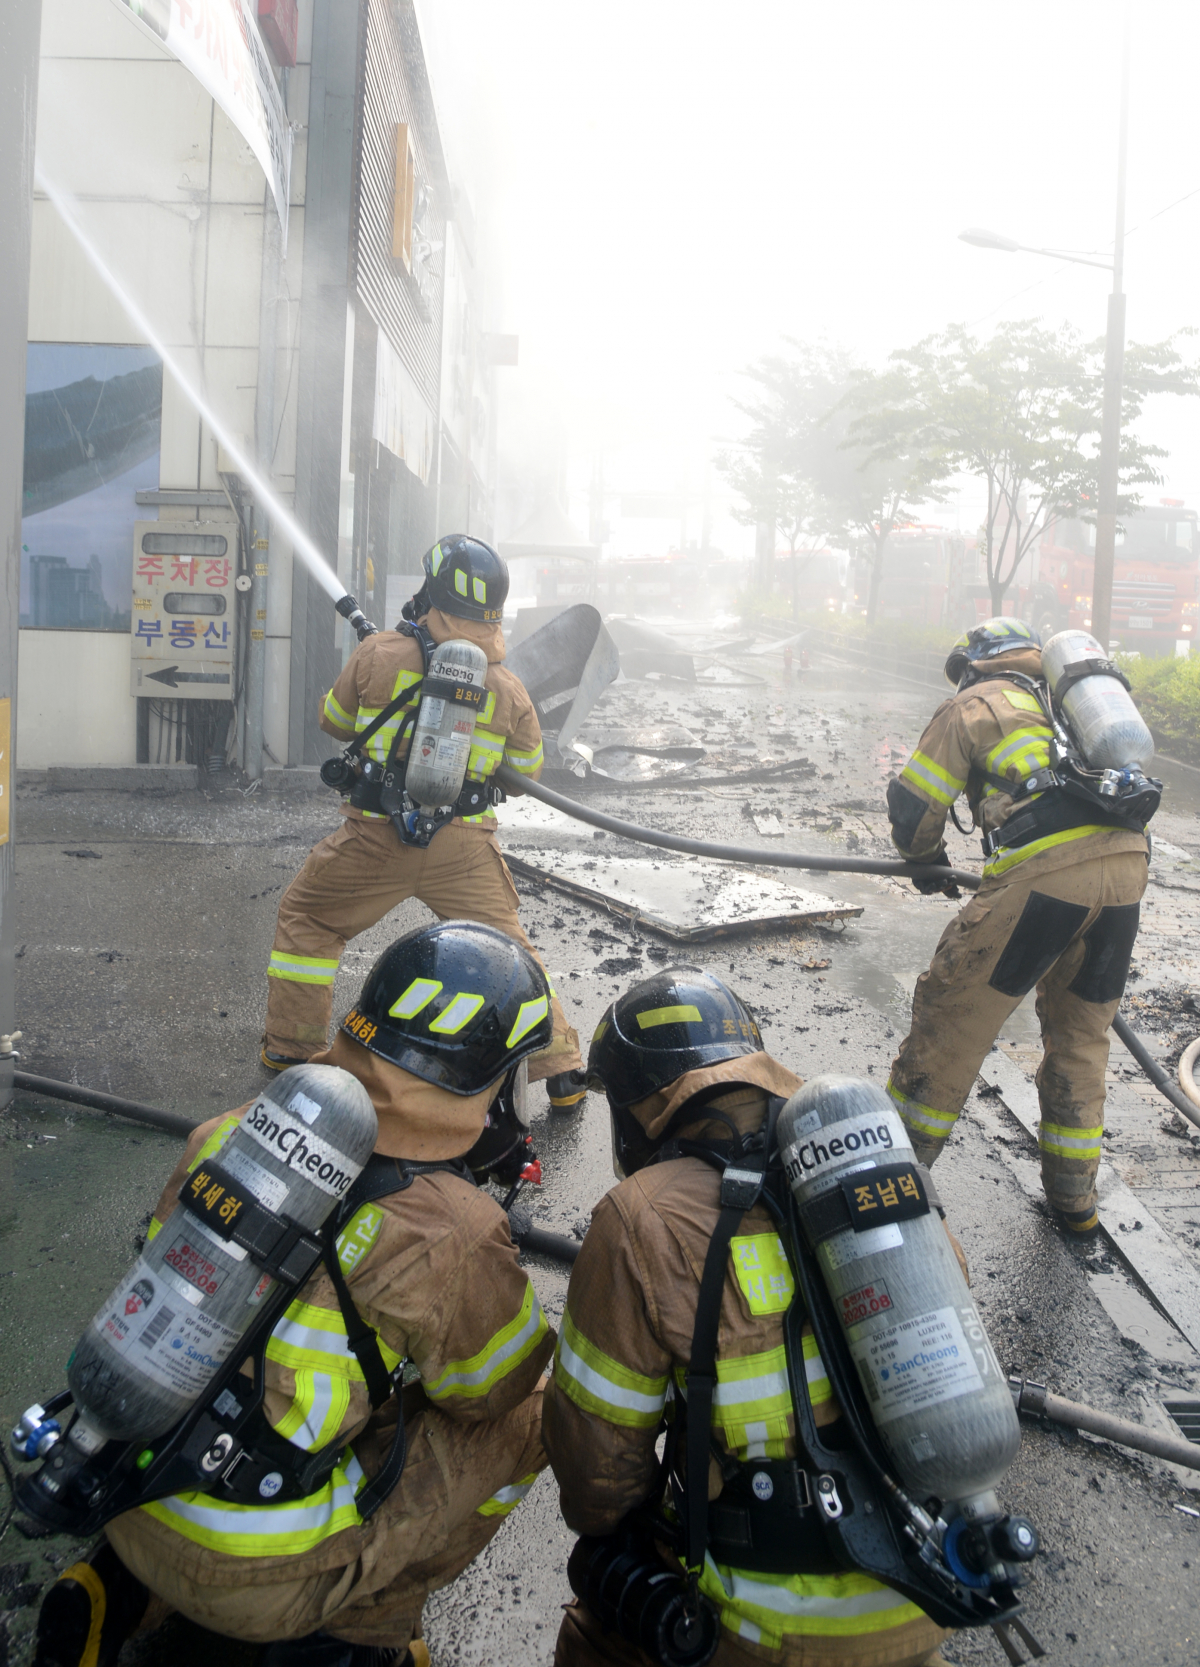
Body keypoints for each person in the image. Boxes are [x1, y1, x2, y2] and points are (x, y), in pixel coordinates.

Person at [36, 922, 555, 1667]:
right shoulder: (453, 1229)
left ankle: (114, 1587)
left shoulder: (234, 1132)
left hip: (125, 1489)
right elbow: (488, 1392)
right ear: (488, 1075)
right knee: (534, 1409)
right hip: (259, 1577)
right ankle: (365, 1629)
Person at [542, 965, 951, 1667]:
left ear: (638, 1106)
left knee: (594, 1627)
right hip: (928, 1590)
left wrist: (625, 1537)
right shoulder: (867, 1168)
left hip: (765, 1624)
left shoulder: (641, 1217)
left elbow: (597, 1473)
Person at [262, 532, 585, 1111]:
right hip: (462, 847)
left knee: (308, 920)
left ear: (430, 593)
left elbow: (334, 721)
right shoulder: (507, 686)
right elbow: (528, 768)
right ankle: (560, 1066)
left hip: (375, 839)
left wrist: (382, 665)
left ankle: (291, 1049)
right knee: (512, 951)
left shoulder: (380, 653)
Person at [884, 617, 1150, 1236]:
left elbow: (917, 803)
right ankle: (1075, 1204)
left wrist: (923, 860)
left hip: (1046, 875)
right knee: (1082, 1040)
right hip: (1127, 871)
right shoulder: (1074, 708)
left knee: (951, 1021)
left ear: (974, 665)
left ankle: (885, 1188)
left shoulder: (973, 703)